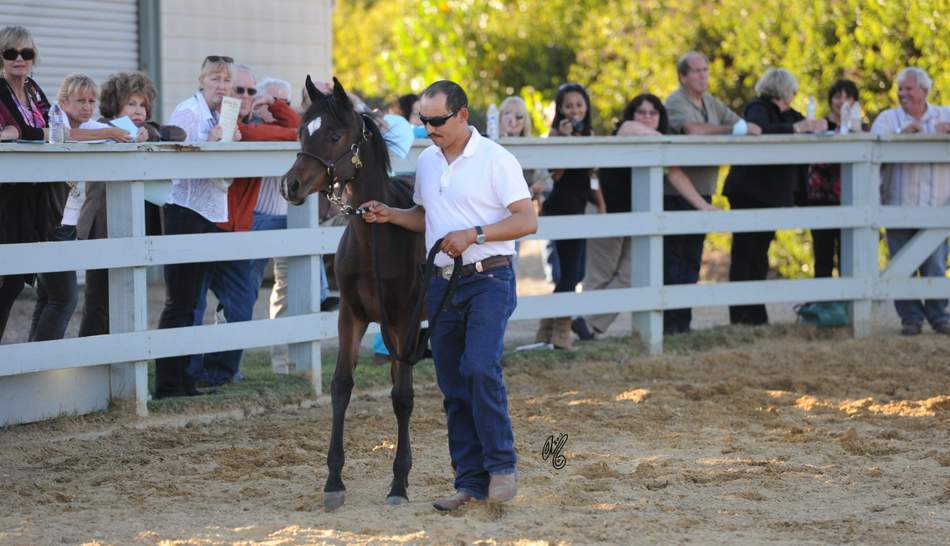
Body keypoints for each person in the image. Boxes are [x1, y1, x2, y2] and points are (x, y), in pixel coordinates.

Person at [360, 80, 537, 511]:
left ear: (462, 115)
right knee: (452, 383)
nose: (430, 128)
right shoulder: (427, 163)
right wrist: (392, 216)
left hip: (489, 277)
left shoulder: (497, 159)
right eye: (424, 120)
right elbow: (427, 216)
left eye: (437, 121)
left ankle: (501, 465)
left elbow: (526, 219)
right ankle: (469, 481)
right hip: (441, 282)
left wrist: (475, 233)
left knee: (479, 367)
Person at [572, 93, 719, 340]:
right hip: (605, 210)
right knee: (601, 273)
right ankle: (584, 331)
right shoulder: (628, 129)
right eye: (642, 112)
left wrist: (703, 205)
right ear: (631, 115)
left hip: (638, 218)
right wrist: (673, 143)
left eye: (653, 113)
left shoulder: (658, 147)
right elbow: (639, 132)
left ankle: (588, 325)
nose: (647, 117)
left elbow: (676, 175)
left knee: (634, 273)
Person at [27, 73, 144, 343]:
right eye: (80, 100)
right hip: (50, 221)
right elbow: (69, 136)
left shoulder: (91, 124)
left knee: (48, 297)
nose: (87, 106)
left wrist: (142, 131)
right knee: (64, 298)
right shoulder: (52, 117)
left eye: (92, 100)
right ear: (64, 101)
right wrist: (110, 132)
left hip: (67, 223)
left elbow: (126, 131)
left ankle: (35, 358)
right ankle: (43, 363)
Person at [153, 55, 241, 399]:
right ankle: (168, 382)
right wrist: (214, 142)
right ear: (201, 80)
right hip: (185, 209)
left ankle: (184, 378)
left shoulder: (222, 115)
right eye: (215, 79)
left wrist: (225, 139)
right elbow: (182, 162)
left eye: (226, 80)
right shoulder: (188, 113)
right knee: (180, 300)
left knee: (194, 301)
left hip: (208, 210)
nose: (222, 86)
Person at [77, 71, 186, 338]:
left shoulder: (145, 130)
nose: (138, 110)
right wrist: (137, 132)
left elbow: (179, 132)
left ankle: (122, 352)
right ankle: (91, 353)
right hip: (102, 222)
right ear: (116, 104)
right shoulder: (101, 127)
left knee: (129, 290)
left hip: (137, 221)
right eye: (131, 104)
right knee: (98, 295)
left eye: (142, 105)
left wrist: (149, 131)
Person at [663, 51, 762, 334]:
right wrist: (733, 129)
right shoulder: (676, 101)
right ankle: (670, 325)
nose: (702, 75)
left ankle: (684, 323)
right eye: (696, 71)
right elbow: (693, 130)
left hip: (704, 191)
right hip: (675, 193)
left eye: (705, 70)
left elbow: (743, 125)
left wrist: (737, 128)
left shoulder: (711, 102)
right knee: (673, 260)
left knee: (692, 259)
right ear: (682, 76)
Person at [724, 68, 828, 326]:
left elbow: (807, 125)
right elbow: (761, 130)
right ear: (783, 89)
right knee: (745, 253)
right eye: (792, 90)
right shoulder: (758, 107)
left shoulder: (790, 114)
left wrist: (824, 124)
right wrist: (796, 128)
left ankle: (756, 315)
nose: (794, 95)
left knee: (759, 254)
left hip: (769, 195)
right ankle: (741, 315)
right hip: (749, 191)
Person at [871, 67, 950, 336]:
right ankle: (910, 318)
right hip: (898, 203)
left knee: (937, 264)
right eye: (901, 89)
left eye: (909, 88)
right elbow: (874, 149)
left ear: (924, 91)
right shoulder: (887, 119)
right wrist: (900, 137)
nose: (903, 94)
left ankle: (940, 315)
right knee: (901, 264)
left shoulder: (945, 114)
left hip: (937, 204)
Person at [534, 82, 606, 350]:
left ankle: (546, 328)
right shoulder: (554, 134)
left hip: (581, 205)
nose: (574, 110)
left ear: (586, 106)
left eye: (579, 104)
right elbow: (556, 173)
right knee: (569, 272)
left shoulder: (590, 134)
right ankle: (561, 332)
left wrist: (602, 205)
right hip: (561, 205)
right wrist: (564, 140)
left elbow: (593, 175)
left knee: (574, 272)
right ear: (560, 110)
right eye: (568, 106)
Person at [0, 25, 53, 340]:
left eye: (26, 53)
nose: (19, 59)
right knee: (5, 277)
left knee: (17, 276)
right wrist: (22, 131)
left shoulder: (33, 89)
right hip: (5, 195)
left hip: (32, 196)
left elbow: (51, 126)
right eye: (10, 52)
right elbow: (22, 127)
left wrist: (21, 132)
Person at [804, 78, 866, 280]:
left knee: (849, 255)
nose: (842, 101)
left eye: (847, 97)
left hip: (853, 198)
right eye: (838, 96)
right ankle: (823, 306)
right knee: (823, 255)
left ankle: (846, 305)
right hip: (822, 198)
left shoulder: (861, 129)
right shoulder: (820, 125)